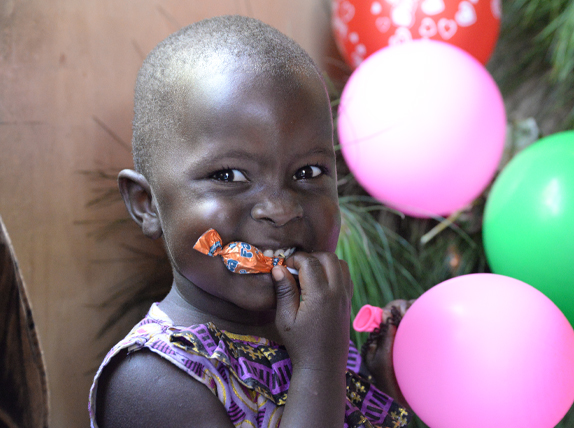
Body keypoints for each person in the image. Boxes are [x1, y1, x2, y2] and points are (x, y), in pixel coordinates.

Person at [89, 15, 409, 428]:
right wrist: (319, 367)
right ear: (147, 204)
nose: (280, 207)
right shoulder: (151, 381)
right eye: (228, 176)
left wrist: (382, 388)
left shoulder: (321, 338)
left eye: (308, 172)